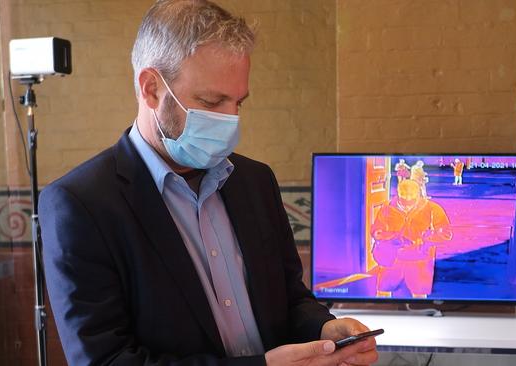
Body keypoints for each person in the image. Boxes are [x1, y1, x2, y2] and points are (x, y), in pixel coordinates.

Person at [38, 1, 378, 365]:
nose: (230, 122)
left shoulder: (255, 181)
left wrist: (324, 329)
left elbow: (291, 299)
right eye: (212, 101)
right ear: (151, 88)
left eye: (239, 103)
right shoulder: (80, 204)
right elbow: (107, 360)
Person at [371, 180, 452, 298]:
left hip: (420, 260)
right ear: (398, 195)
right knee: (383, 293)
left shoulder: (432, 208)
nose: (407, 204)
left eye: (411, 200)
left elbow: (446, 234)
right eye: (403, 200)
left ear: (419, 195)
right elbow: (376, 230)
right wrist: (391, 237)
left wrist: (426, 239)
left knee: (420, 297)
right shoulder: (387, 208)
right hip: (392, 259)